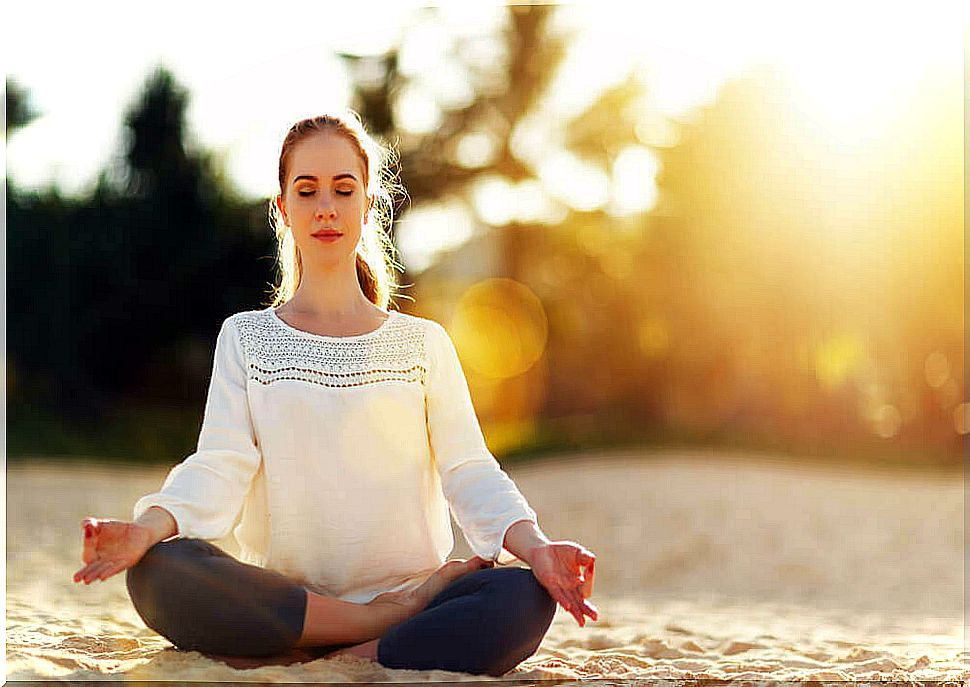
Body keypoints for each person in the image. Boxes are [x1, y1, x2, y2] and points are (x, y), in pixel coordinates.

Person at [73, 112, 598, 676]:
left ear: (368, 206)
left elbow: (468, 468)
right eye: (308, 190)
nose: (326, 206)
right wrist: (145, 530)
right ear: (283, 210)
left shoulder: (422, 344)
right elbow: (219, 464)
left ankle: (342, 642)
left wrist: (540, 550)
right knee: (159, 571)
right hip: (287, 600)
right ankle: (376, 627)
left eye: (343, 190)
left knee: (523, 596)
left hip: (410, 593)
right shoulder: (245, 337)